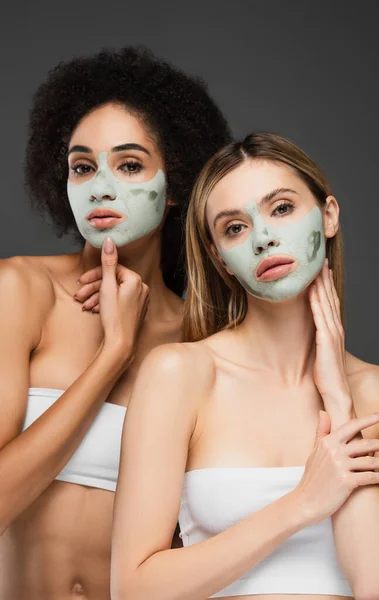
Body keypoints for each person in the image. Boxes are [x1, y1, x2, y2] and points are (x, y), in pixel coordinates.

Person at [111, 133, 379, 600]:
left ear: (328, 216)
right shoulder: (180, 374)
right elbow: (133, 588)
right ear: (219, 258)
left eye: (281, 208)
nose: (263, 237)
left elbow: (376, 581)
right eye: (234, 228)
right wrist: (302, 504)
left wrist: (339, 401)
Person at [0, 46, 231, 599]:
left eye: (129, 165)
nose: (101, 186)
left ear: (175, 185)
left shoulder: (202, 336)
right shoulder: (21, 291)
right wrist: (113, 357)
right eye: (83, 166)